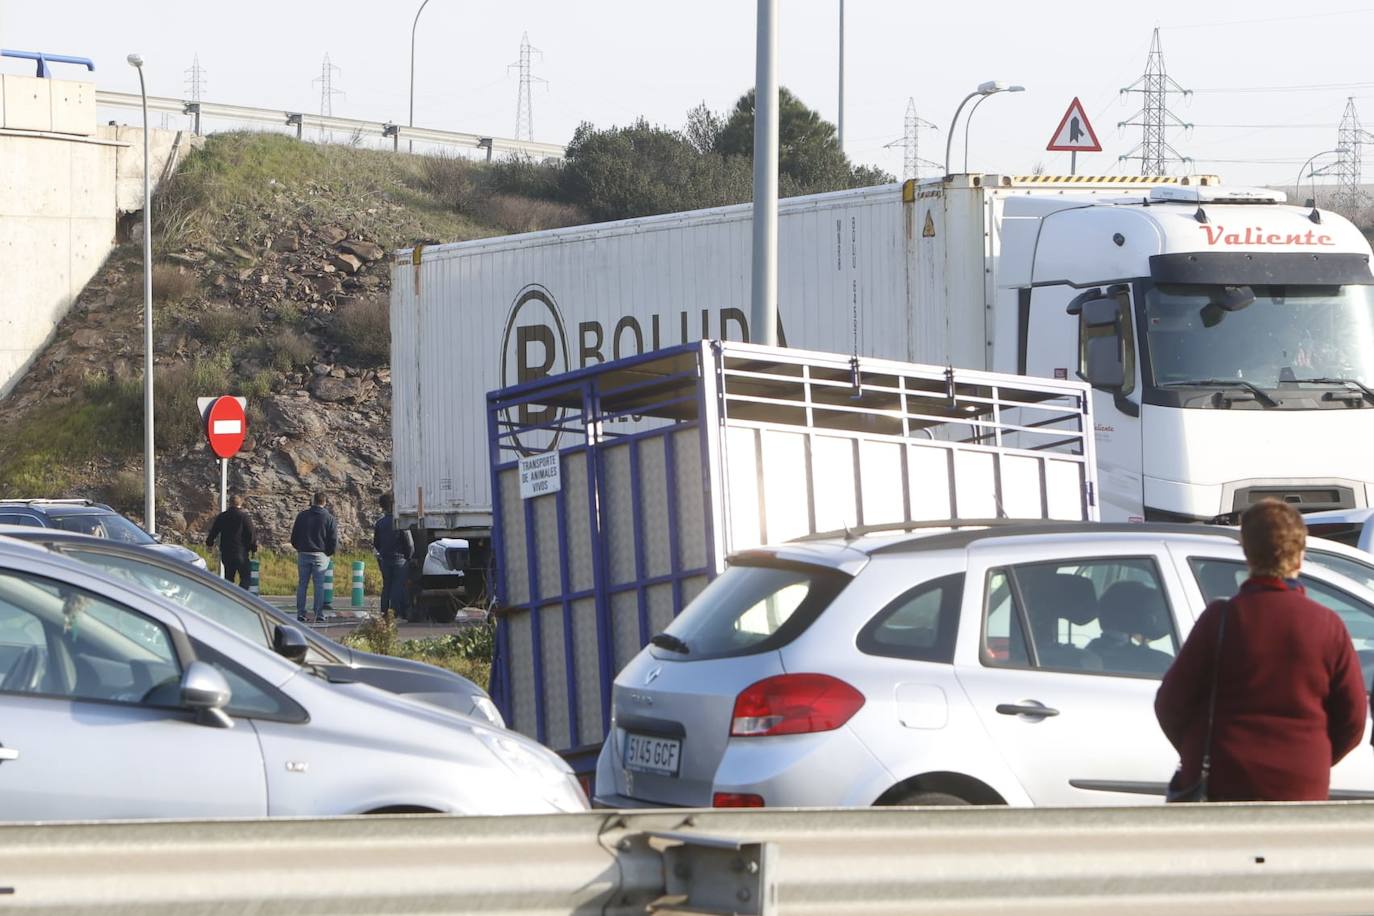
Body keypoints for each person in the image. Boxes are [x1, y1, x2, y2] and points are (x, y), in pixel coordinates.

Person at [1155, 499, 1367, 801]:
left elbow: (1170, 704)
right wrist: (1312, 754)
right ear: (1300, 555)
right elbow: (1353, 718)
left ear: (1247, 553)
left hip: (1224, 779)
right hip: (1302, 783)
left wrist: (1199, 748)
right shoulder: (1327, 624)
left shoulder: (1220, 619)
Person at [290, 492, 337, 624]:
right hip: (320, 554)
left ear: (312, 501)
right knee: (319, 585)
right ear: (325, 502)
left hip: (304, 552)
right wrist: (329, 552)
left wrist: (299, 547)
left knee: (302, 584)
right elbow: (333, 539)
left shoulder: (302, 516)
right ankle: (318, 613)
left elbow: (294, 537)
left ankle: (300, 612)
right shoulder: (329, 518)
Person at [373, 493, 414, 621]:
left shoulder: (379, 523)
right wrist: (409, 557)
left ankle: (384, 612)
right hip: (400, 559)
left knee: (387, 586)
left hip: (385, 559)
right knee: (398, 586)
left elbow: (376, 543)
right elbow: (409, 543)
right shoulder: (400, 522)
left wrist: (383, 552)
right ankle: (395, 612)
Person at [205, 495, 257, 589]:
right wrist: (253, 548)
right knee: (245, 577)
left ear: (229, 503)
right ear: (240, 503)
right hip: (241, 552)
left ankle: (229, 598)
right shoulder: (244, 517)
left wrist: (209, 543)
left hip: (226, 552)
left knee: (228, 578)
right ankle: (241, 596)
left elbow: (214, 531)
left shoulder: (222, 516)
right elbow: (251, 534)